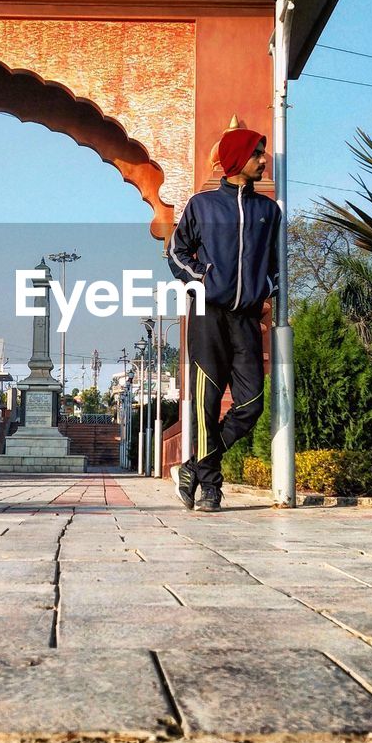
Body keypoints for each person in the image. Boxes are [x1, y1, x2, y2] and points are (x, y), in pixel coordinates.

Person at [166, 127, 280, 511]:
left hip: (246, 318)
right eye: (258, 153)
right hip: (207, 314)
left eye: (263, 153)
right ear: (237, 160)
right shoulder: (203, 205)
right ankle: (211, 487)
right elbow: (177, 253)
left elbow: (276, 265)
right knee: (206, 403)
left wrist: (267, 286)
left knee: (251, 403)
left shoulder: (269, 211)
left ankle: (196, 466)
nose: (264, 160)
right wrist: (203, 277)